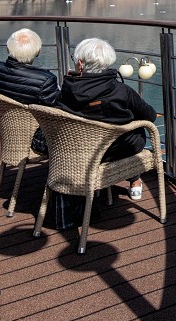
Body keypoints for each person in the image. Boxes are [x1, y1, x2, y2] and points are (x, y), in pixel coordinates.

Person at [56, 38, 156, 201]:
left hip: (75, 149)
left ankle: (133, 179)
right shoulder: (122, 91)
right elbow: (150, 116)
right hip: (114, 150)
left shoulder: (66, 90)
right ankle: (134, 178)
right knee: (136, 132)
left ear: (79, 64)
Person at [0, 28, 60, 106]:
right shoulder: (46, 81)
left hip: (5, 126)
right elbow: (58, 109)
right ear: (38, 52)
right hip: (36, 127)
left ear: (7, 49)